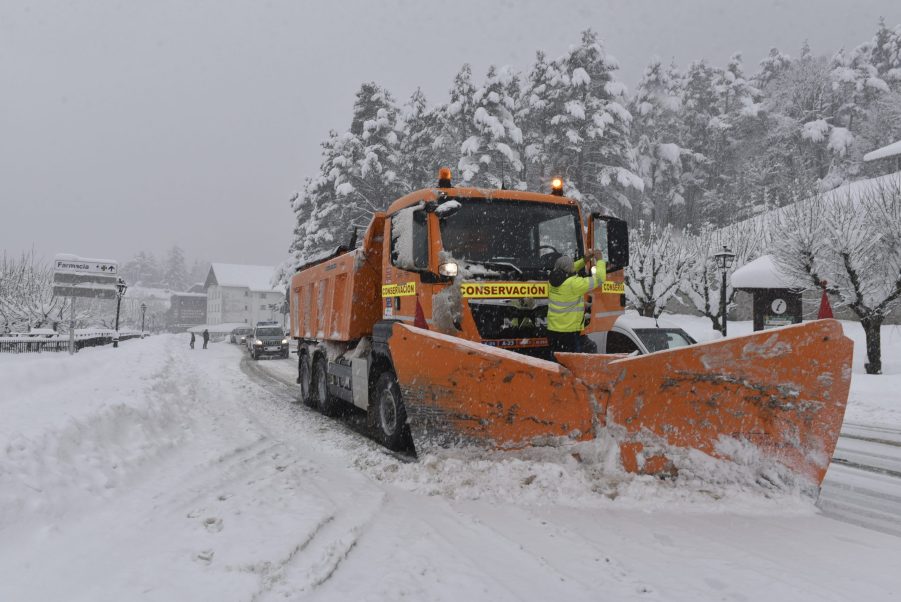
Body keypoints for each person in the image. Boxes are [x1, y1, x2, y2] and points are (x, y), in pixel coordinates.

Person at [546, 250, 605, 355]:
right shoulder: (574, 284)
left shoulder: (551, 281)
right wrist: (600, 261)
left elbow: (570, 267)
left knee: (556, 358)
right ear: (569, 269)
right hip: (569, 333)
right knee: (571, 360)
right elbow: (599, 279)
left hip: (553, 331)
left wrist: (584, 260)